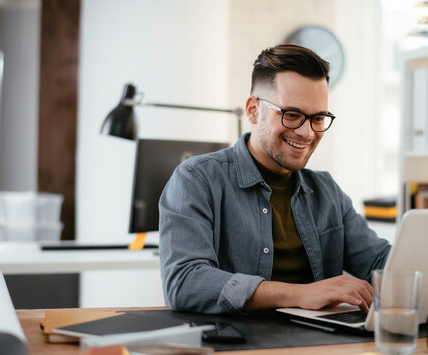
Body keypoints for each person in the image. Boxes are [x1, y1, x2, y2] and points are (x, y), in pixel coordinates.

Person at [159, 44, 391, 314]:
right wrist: (301, 294)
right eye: (292, 115)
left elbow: (379, 261)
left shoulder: (326, 190)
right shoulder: (196, 180)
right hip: (235, 348)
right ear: (253, 110)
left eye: (317, 118)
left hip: (322, 347)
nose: (306, 132)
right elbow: (185, 281)